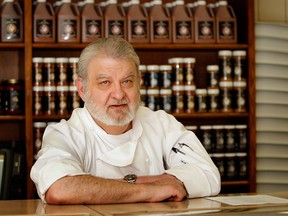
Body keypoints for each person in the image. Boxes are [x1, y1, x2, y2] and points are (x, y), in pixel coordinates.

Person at [30, 37, 221, 204]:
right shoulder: (65, 135)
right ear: (82, 89)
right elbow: (60, 188)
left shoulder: (161, 124)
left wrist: (123, 185)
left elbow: (208, 176)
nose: (119, 94)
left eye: (127, 81)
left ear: (139, 83)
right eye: (105, 83)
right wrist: (152, 190)